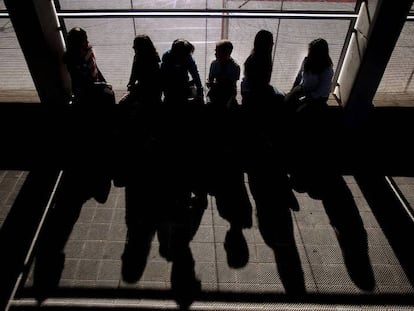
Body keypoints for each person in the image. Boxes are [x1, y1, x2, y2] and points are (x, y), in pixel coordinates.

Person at [284, 37, 334, 113]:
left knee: (300, 109)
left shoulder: (327, 70)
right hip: (305, 89)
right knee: (287, 100)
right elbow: (299, 77)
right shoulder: (307, 61)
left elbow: (320, 92)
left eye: (312, 52)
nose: (309, 54)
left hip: (318, 97)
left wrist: (303, 98)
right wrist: (292, 91)